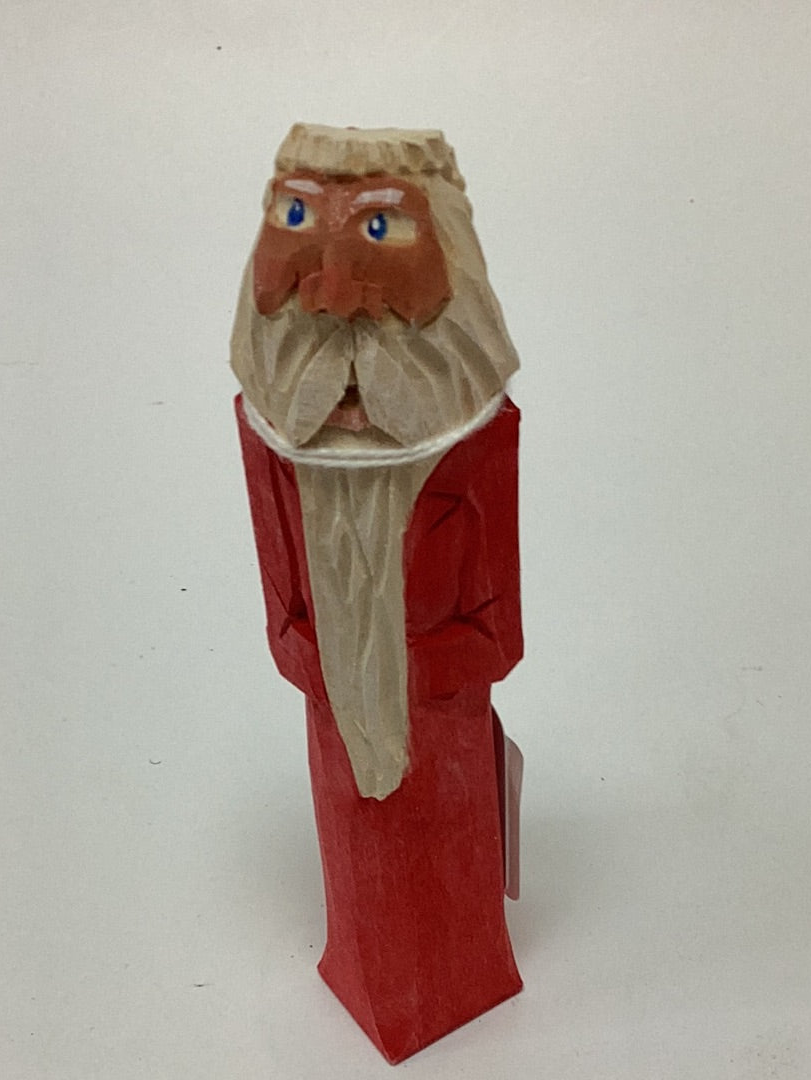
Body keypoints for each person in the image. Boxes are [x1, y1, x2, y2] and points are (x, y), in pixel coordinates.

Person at [231, 123, 524, 1063]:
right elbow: (281, 593)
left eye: (379, 229)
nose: (331, 292)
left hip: (438, 717)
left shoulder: (479, 442)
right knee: (361, 848)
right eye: (296, 220)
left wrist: (410, 667)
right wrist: (321, 659)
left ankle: (458, 976)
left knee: (440, 855)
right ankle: (364, 970)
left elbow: (499, 625)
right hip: (335, 709)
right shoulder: (275, 445)